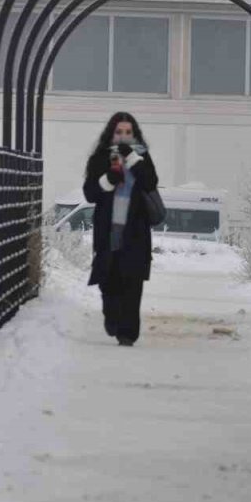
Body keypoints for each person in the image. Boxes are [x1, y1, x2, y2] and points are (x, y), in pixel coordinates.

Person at [83, 111, 160, 347]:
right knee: (109, 282)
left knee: (132, 283)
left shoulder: (142, 157)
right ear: (111, 134)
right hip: (108, 231)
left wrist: (134, 160)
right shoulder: (99, 158)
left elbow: (150, 183)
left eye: (128, 132)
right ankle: (112, 318)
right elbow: (90, 193)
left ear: (134, 134)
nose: (124, 137)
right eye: (119, 132)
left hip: (135, 232)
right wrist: (108, 179)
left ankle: (128, 333)